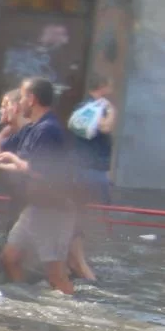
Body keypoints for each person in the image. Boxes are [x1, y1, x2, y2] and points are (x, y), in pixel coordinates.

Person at [0, 77, 78, 295]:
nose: (19, 102)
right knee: (9, 259)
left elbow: (40, 171)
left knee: (56, 275)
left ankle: (72, 309)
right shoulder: (32, 128)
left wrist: (13, 160)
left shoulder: (48, 130)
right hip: (36, 208)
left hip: (54, 210)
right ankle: (29, 300)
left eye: (22, 97)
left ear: (31, 99)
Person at [65, 75, 115, 281]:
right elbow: (105, 127)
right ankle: (77, 261)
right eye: (109, 84)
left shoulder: (84, 107)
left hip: (84, 169)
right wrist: (112, 111)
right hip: (88, 170)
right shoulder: (96, 107)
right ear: (102, 86)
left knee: (80, 214)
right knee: (81, 215)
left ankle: (75, 259)